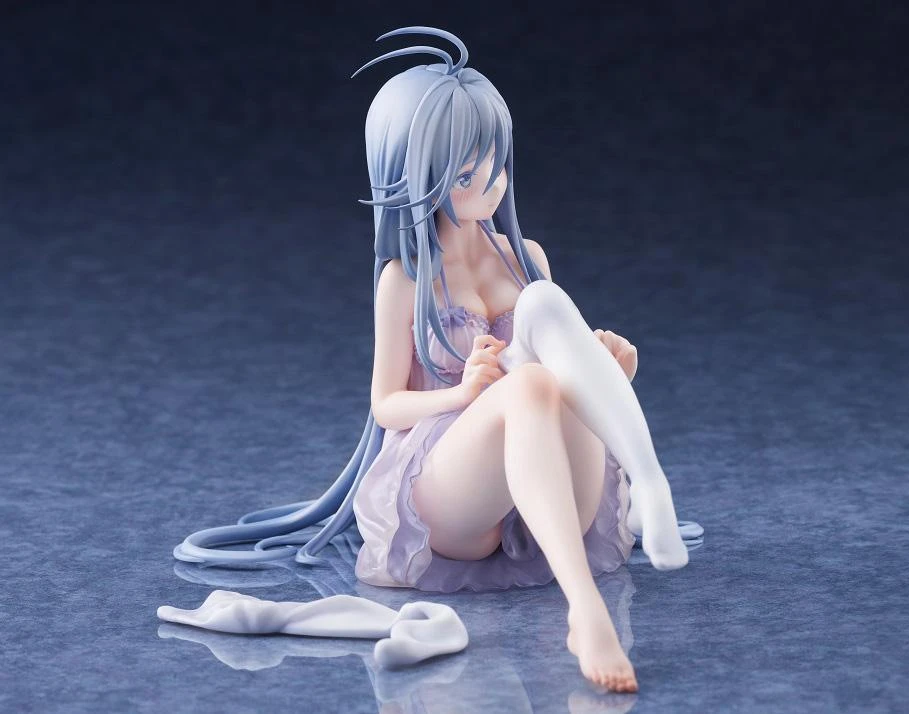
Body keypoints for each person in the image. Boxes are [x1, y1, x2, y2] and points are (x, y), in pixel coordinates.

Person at [175, 26, 695, 693]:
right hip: (455, 486)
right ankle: (585, 610)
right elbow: (386, 404)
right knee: (530, 385)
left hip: (552, 484)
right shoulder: (406, 279)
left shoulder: (526, 258)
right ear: (416, 179)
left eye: (496, 164)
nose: (491, 184)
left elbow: (557, 365)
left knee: (544, 312)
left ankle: (649, 482)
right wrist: (463, 393)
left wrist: (605, 376)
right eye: (466, 174)